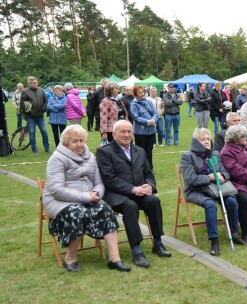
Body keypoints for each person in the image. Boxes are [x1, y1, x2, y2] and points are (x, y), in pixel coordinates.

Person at [43, 125, 130, 272]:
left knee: (105, 209)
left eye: (81, 141)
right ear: (66, 142)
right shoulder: (57, 158)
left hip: (89, 197)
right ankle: (70, 258)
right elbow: (57, 190)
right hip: (60, 200)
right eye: (75, 141)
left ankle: (115, 259)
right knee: (77, 212)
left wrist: (96, 194)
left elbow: (99, 182)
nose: (79, 145)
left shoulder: (90, 157)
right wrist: (86, 198)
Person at [96, 120, 171, 268]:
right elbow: (109, 179)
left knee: (154, 201)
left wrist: (149, 186)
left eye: (129, 131)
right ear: (114, 133)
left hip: (139, 192)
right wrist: (133, 189)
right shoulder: (104, 152)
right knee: (130, 206)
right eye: (122, 132)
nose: (126, 135)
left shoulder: (139, 151)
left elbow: (149, 173)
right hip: (117, 195)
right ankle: (136, 250)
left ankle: (157, 242)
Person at [181, 128, 246, 255]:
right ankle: (214, 240)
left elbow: (227, 173)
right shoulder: (187, 156)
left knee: (232, 200)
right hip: (196, 190)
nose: (206, 142)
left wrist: (222, 176)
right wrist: (209, 177)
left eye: (208, 139)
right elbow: (191, 179)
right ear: (196, 141)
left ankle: (234, 232)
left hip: (216, 189)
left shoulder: (215, 154)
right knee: (210, 205)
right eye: (203, 139)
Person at [19, 76, 51, 153]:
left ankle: (47, 148)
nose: (35, 84)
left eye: (36, 82)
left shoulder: (41, 90)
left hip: (40, 116)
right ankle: (34, 149)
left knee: (44, 132)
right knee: (32, 133)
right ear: (29, 83)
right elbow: (22, 104)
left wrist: (44, 109)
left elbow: (46, 101)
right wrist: (28, 112)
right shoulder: (25, 92)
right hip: (30, 117)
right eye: (33, 83)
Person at [130, 85, 158, 168]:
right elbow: (136, 117)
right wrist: (147, 122)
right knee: (141, 151)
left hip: (151, 131)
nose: (142, 94)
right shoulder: (134, 104)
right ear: (135, 94)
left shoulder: (148, 101)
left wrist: (154, 120)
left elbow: (155, 112)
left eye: (143, 92)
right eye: (140, 93)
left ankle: (150, 168)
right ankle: (141, 168)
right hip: (140, 132)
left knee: (149, 150)